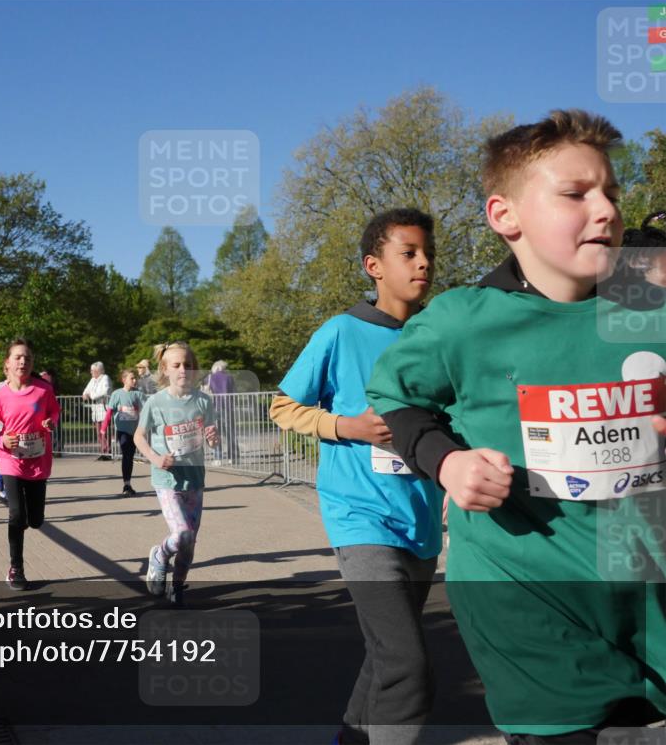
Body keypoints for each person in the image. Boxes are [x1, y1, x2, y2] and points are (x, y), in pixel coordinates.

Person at [367, 110, 666, 741]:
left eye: (612, 193)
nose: (606, 210)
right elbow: (396, 397)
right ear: (506, 216)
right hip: (526, 598)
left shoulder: (652, 310)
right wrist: (447, 460)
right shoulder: (463, 320)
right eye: (575, 194)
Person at [270, 208, 441, 745]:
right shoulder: (341, 331)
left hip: (420, 520)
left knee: (385, 655)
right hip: (359, 515)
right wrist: (347, 426)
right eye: (408, 253)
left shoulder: (437, 334)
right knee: (408, 665)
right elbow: (282, 406)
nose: (423, 263)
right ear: (374, 266)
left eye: (428, 253)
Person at [134, 342, 218, 608]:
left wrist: (213, 438)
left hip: (195, 479)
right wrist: (156, 458)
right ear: (165, 370)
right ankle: (159, 556)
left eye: (188, 365)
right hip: (167, 480)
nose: (183, 369)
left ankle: (178, 586)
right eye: (177, 365)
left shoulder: (204, 401)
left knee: (189, 541)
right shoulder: (155, 402)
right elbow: (139, 436)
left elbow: (211, 438)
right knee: (182, 533)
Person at [0, 339, 60, 591]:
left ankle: (24, 514)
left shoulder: (43, 390)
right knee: (16, 516)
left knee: (35, 521)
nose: (23, 361)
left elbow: (54, 412)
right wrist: (1, 440)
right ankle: (16, 568)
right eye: (18, 357)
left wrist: (51, 422)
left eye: (27, 358)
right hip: (11, 461)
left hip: (38, 461)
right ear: (7, 363)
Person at [107, 369, 144, 495]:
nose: (134, 380)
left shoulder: (138, 394)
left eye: (135, 378)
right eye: (131, 378)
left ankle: (128, 484)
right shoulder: (116, 394)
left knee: (130, 456)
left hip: (135, 431)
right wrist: (103, 427)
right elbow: (109, 411)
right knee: (126, 455)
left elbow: (146, 408)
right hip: (122, 430)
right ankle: (126, 485)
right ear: (124, 380)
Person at [206, 360, 238, 465]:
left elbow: (206, 392)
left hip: (214, 408)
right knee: (230, 433)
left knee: (216, 433)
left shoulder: (210, 377)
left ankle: (218, 458)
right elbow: (234, 392)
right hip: (228, 408)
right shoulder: (229, 377)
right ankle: (232, 457)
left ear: (215, 367)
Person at [82, 361, 112, 459]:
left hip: (104, 408)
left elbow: (105, 391)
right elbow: (85, 391)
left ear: (98, 371)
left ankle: (107, 452)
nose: (91, 372)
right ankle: (102, 451)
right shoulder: (93, 380)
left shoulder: (105, 378)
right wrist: (86, 394)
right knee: (98, 432)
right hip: (95, 410)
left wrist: (92, 395)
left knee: (104, 431)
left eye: (92, 370)